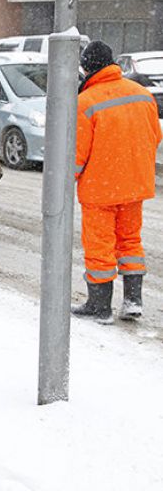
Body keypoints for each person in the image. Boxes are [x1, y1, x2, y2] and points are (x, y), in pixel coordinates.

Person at [71, 40, 161, 324]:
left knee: (100, 247)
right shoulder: (142, 95)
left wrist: (65, 181)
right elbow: (155, 137)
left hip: (100, 190)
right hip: (134, 186)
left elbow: (76, 154)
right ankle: (133, 301)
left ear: (87, 68)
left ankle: (100, 306)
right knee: (130, 241)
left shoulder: (86, 102)